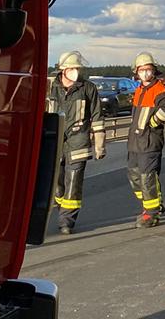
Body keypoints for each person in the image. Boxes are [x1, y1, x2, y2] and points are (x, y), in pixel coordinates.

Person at [47, 51, 104, 235]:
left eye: (77, 68)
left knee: (73, 182)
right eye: (71, 68)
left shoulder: (88, 88)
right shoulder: (50, 88)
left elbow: (96, 117)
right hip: (54, 143)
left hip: (78, 142)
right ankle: (61, 206)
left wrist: (99, 144)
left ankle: (66, 220)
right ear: (63, 69)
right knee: (56, 183)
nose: (75, 72)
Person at [128, 52, 165, 228]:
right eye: (142, 70)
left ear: (154, 71)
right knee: (134, 176)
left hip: (150, 142)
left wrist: (152, 123)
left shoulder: (159, 90)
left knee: (147, 177)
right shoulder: (139, 89)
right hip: (135, 141)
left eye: (148, 70)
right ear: (137, 72)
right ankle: (152, 203)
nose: (145, 73)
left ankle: (152, 213)